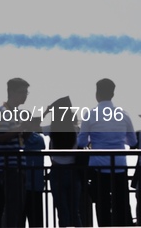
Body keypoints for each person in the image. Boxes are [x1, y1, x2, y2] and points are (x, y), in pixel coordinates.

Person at [77, 78, 136, 226]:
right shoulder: (124, 114)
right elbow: (133, 142)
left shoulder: (90, 115)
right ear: (113, 93)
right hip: (120, 166)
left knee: (102, 206)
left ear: (97, 93)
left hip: (98, 167)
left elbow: (81, 142)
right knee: (122, 204)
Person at [0, 78, 31, 228]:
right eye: (22, 92)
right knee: (12, 206)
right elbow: (1, 137)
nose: (25, 95)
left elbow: (15, 136)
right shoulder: (2, 112)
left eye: (26, 92)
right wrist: (21, 128)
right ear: (12, 92)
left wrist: (26, 130)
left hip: (17, 166)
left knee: (17, 207)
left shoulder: (14, 113)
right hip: (9, 167)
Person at [42, 96, 82, 227]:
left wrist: (46, 112)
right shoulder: (76, 129)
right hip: (73, 172)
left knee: (62, 212)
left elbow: (33, 126)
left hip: (57, 172)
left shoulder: (52, 129)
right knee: (74, 212)